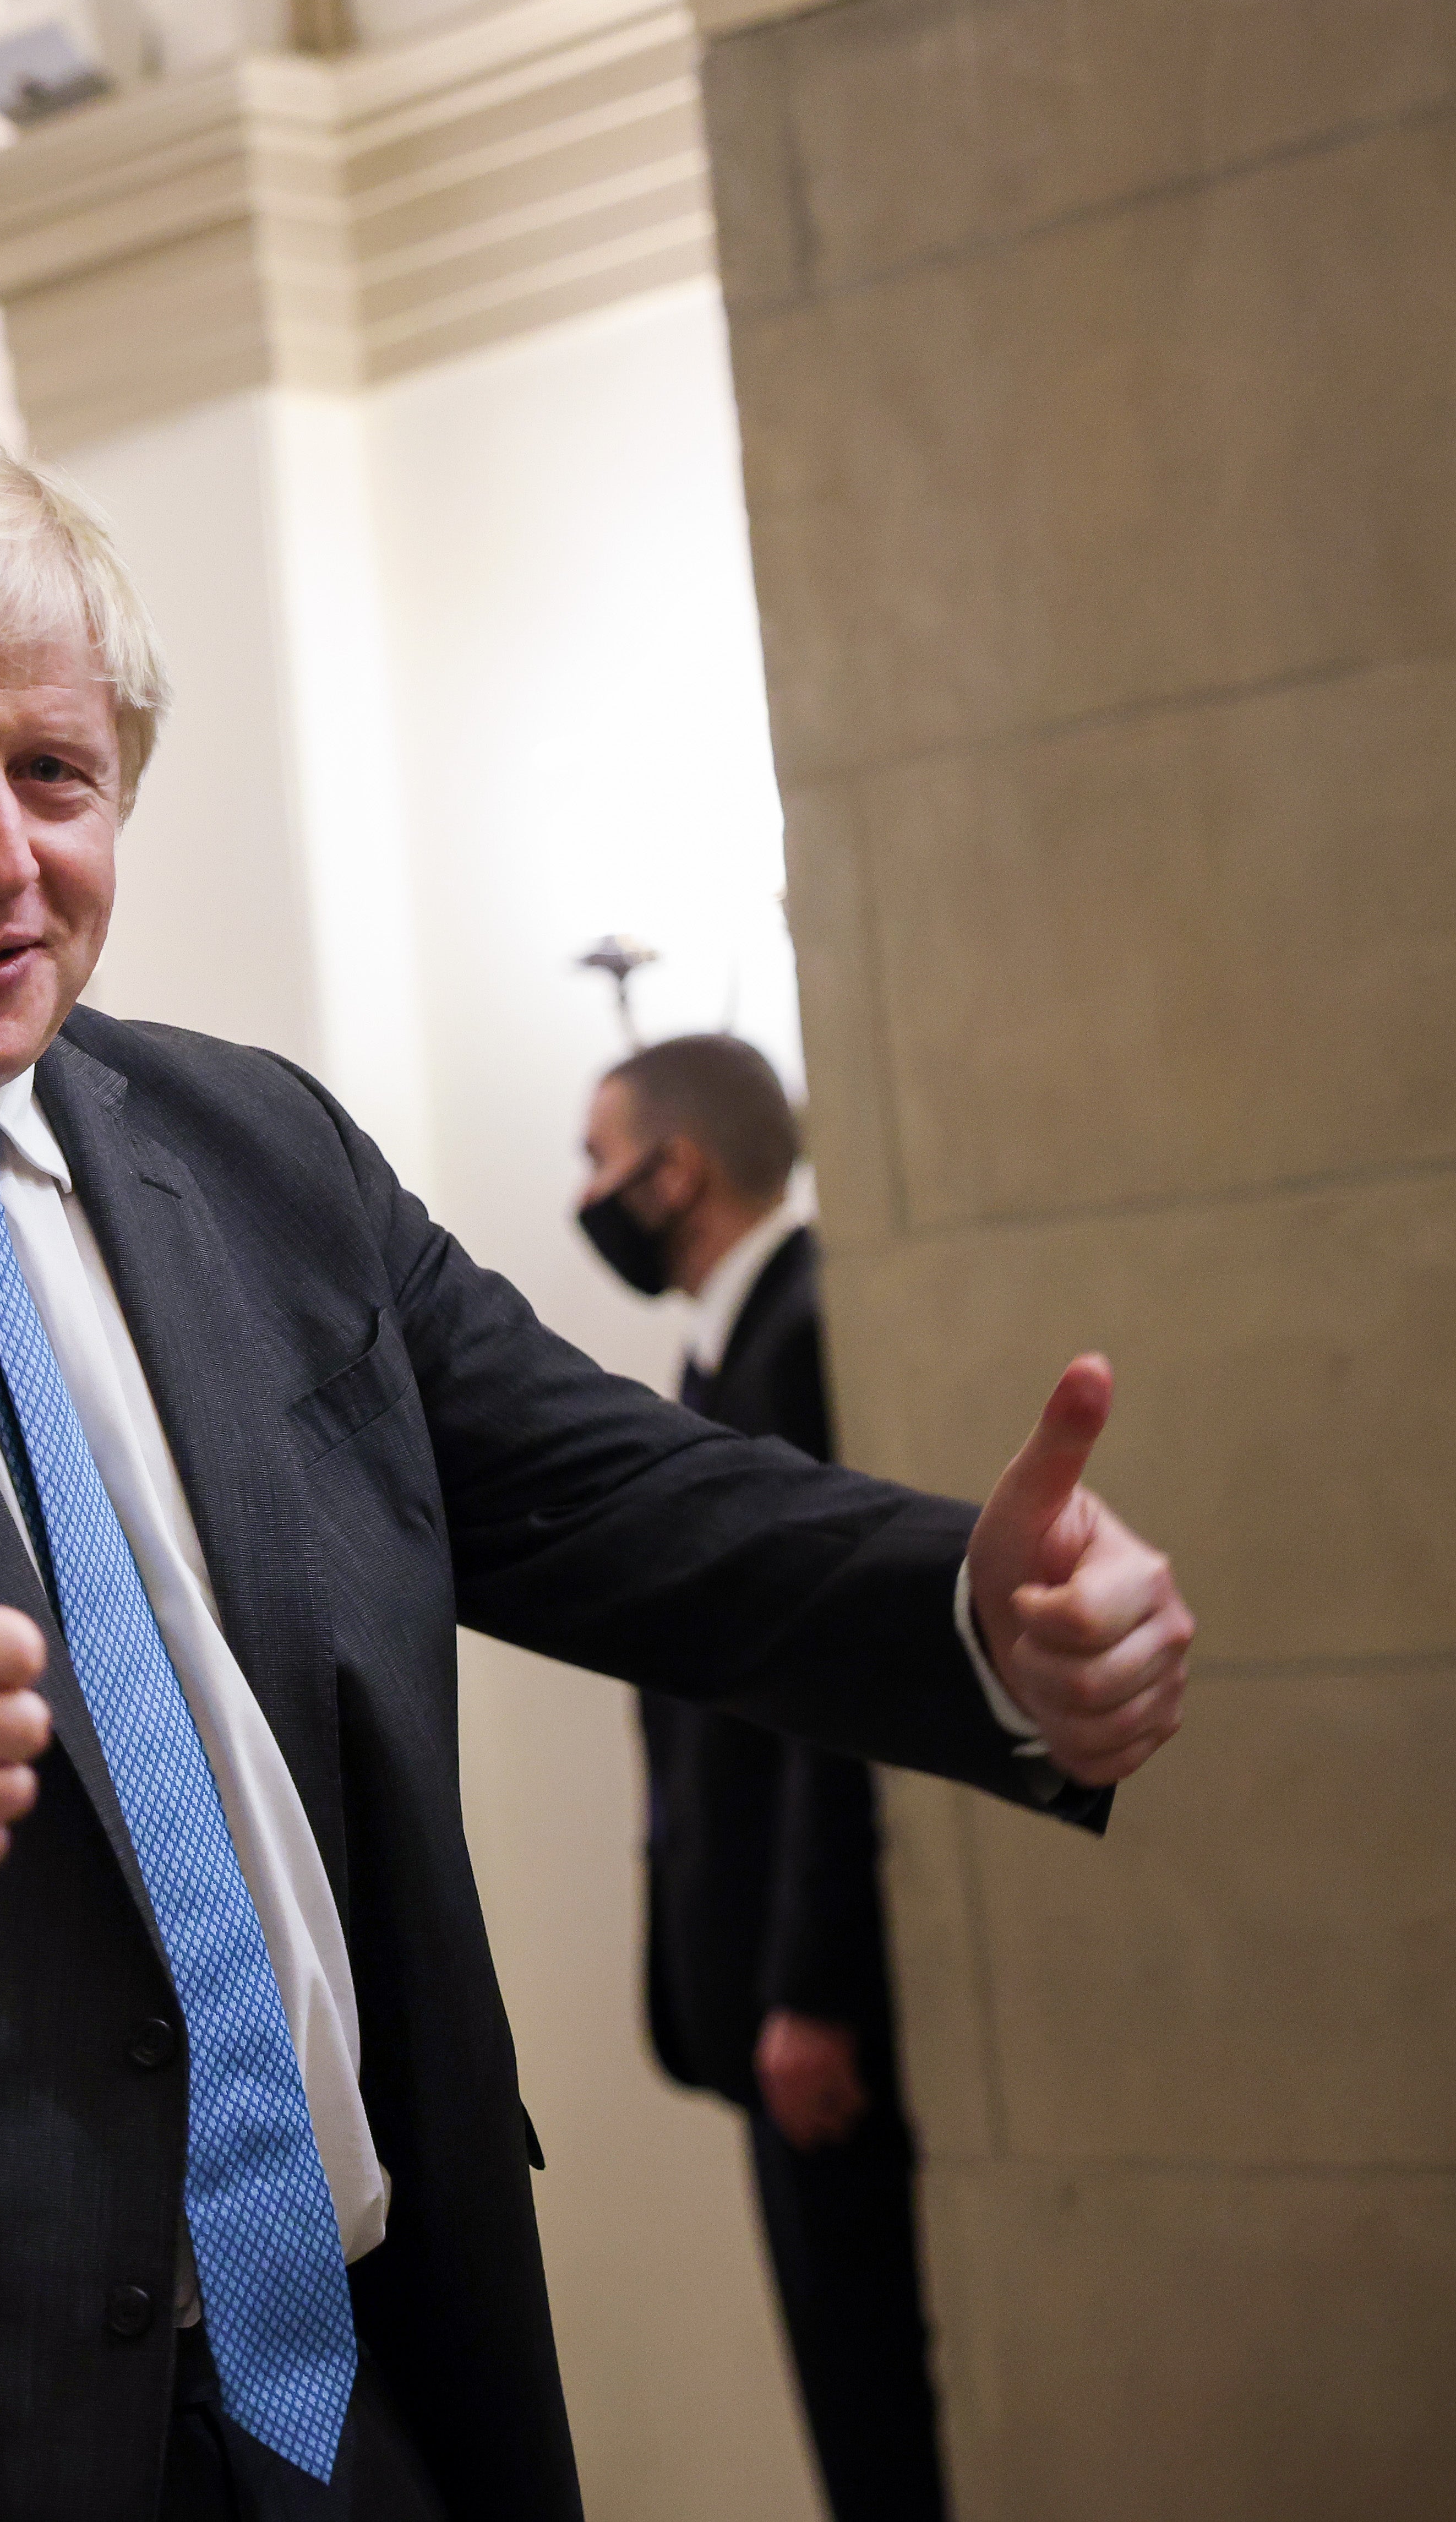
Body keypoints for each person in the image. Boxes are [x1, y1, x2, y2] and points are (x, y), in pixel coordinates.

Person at [0, 426, 1191, 2522]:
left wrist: (973, 1618)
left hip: (353, 2392)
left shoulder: (260, 1154)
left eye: (55, 775)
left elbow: (611, 1501)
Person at [578, 1038, 944, 2521]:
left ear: (676, 1167)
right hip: (756, 1992)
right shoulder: (720, 1347)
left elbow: (827, 1693)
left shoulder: (798, 1331)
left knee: (884, 2415)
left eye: (597, 1157)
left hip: (817, 2010)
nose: (587, 1194)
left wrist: (810, 1980)